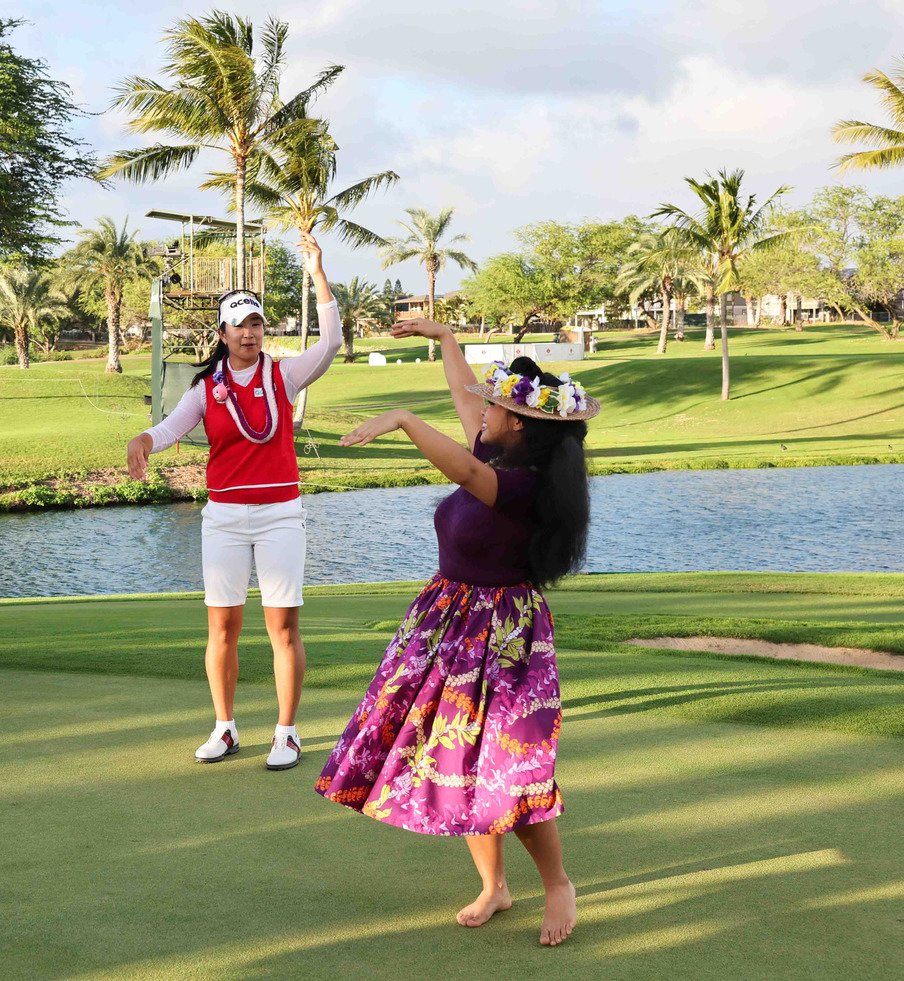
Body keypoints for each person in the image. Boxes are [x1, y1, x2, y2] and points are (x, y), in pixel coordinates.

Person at [313, 316, 599, 946]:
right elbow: (465, 395)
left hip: (503, 635)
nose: (482, 409)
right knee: (456, 759)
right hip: (448, 622)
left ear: (518, 423)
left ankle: (557, 884)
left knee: (509, 766)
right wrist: (445, 338)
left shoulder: (522, 484)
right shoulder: (497, 446)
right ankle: (494, 886)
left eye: (496, 406)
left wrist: (403, 419)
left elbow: (465, 476)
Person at [126, 232, 339, 771]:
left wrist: (317, 274)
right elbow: (171, 427)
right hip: (223, 518)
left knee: (283, 629)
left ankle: (286, 733)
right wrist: (144, 440)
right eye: (240, 325)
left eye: (257, 323)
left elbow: (331, 343)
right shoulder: (205, 388)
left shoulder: (284, 374)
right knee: (222, 628)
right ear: (222, 333)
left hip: (280, 515)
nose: (250, 333)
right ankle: (224, 728)